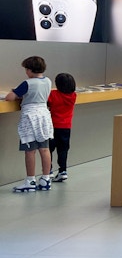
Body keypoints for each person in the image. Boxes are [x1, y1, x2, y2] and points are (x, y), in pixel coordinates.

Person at [5, 56, 54, 193]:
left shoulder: (27, 83)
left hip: (30, 118)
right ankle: (45, 179)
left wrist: (16, 92)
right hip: (44, 116)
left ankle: (30, 180)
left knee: (30, 150)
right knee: (44, 149)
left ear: (30, 70)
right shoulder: (48, 81)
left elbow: (10, 97)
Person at [48, 72, 77, 183]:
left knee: (49, 149)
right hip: (66, 127)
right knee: (63, 150)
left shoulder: (53, 95)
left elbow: (48, 102)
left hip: (52, 126)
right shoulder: (73, 96)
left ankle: (49, 170)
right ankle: (62, 171)